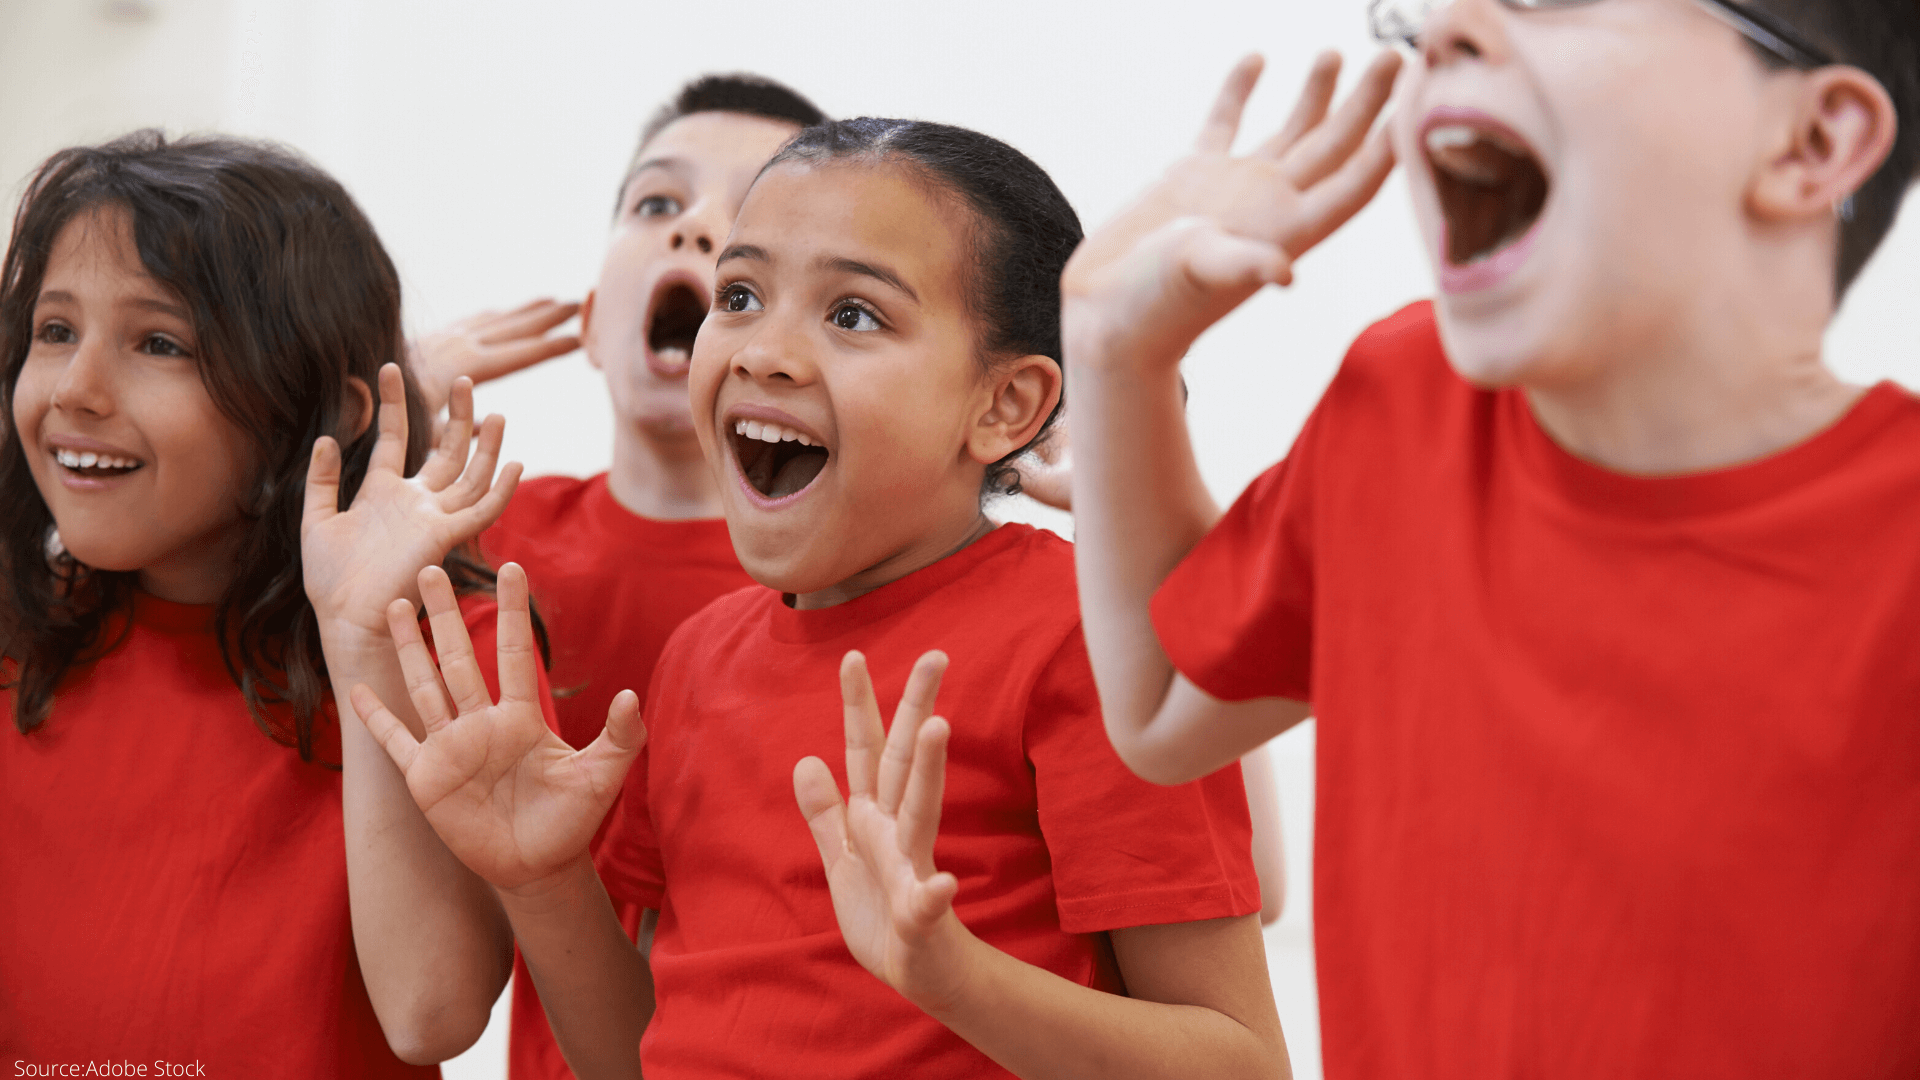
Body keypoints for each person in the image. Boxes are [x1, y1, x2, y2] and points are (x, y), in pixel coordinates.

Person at [1064, 0, 1920, 1075]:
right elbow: (1159, 712)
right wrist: (1111, 352)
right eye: (1428, 15)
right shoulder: (1403, 401)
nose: (1451, 29)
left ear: (1812, 141)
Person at [356, 117, 1288, 1079]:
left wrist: (955, 978)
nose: (763, 352)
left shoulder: (1085, 637)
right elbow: (634, 1061)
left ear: (1005, 405)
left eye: (853, 314)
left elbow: (1243, 1061)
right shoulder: (697, 658)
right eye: (742, 295)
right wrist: (545, 880)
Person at [0, 132, 527, 1074]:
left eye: (158, 343)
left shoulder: (434, 647)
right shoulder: (21, 634)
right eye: (54, 330)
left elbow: (431, 1014)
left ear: (323, 414)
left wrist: (361, 638)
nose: (75, 390)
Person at [410, 72, 828, 1079]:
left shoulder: (858, 574)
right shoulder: (472, 534)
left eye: (750, 216)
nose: (693, 231)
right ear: (595, 324)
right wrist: (381, 405)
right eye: (657, 203)